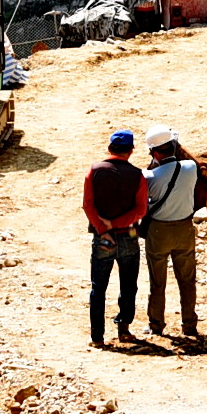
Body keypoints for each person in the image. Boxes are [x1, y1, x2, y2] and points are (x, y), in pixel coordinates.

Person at [81, 130, 147, 346]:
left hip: (103, 239)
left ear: (110, 149)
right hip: (128, 235)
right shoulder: (138, 175)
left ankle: (97, 337)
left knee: (98, 287)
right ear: (131, 151)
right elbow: (141, 210)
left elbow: (88, 205)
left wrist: (103, 228)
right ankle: (124, 330)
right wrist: (117, 223)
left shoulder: (94, 171)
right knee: (128, 285)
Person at [141, 127, 203, 341]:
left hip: (159, 231)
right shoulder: (189, 168)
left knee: (157, 281)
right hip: (184, 229)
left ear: (153, 152)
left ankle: (156, 325)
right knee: (187, 280)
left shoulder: (148, 176)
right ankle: (189, 325)